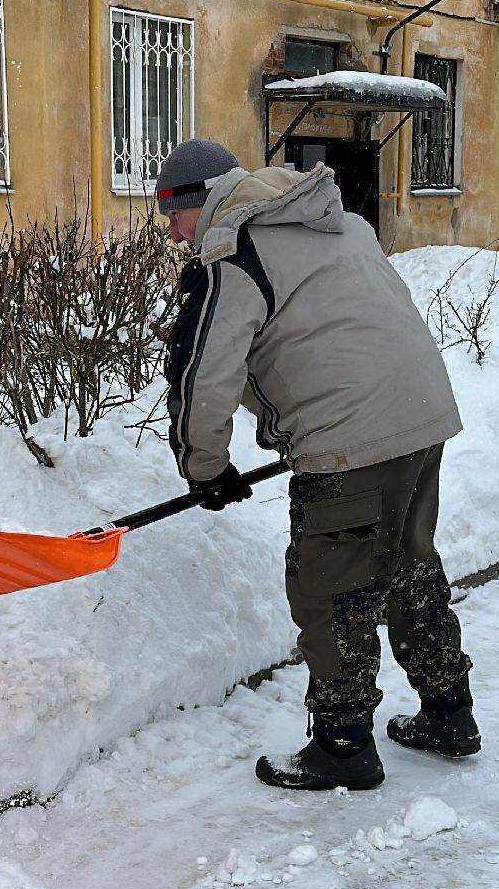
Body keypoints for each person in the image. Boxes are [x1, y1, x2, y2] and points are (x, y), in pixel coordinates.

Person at [152, 138, 478, 792]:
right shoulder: (337, 223)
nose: (170, 229)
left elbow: (205, 375)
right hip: (420, 416)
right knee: (406, 560)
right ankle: (450, 714)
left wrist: (204, 468)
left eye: (169, 211)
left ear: (196, 200)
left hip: (349, 437)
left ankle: (343, 746)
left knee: (330, 589)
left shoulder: (233, 251)